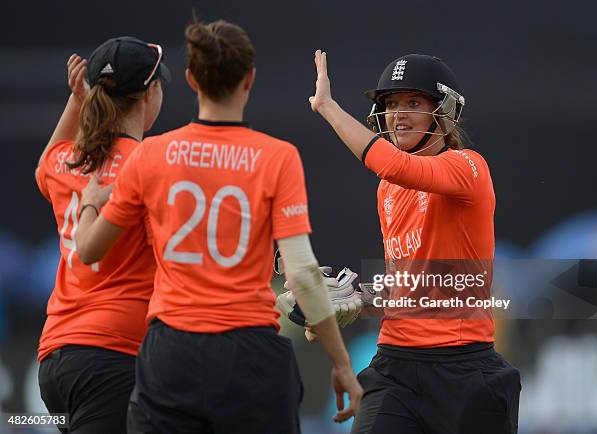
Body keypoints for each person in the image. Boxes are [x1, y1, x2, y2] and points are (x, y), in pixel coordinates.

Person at [74, 18, 362, 434]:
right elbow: (302, 273)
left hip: (170, 354)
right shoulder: (277, 157)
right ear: (250, 78)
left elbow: (88, 251)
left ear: (191, 79)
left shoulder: (151, 155)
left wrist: (87, 205)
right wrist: (341, 363)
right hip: (250, 354)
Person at [303, 50, 521, 433]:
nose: (397, 114)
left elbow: (390, 162)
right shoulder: (388, 188)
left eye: (413, 102)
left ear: (447, 112)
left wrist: (327, 107)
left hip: (464, 368)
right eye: (390, 104)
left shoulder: (468, 167)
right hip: (395, 368)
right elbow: (408, 283)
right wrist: (353, 301)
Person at [35, 36, 168, 433]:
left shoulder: (67, 161)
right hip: (113, 358)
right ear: (150, 93)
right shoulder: (153, 165)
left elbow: (46, 163)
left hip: (56, 361)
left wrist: (76, 101)